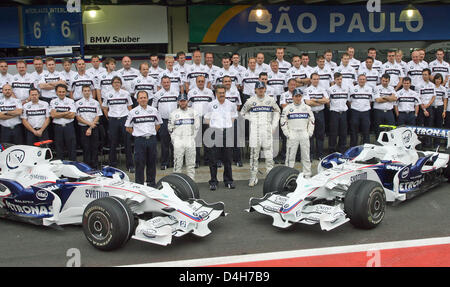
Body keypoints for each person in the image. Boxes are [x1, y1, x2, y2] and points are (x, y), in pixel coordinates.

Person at [240, 81, 280, 187]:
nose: (261, 90)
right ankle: (253, 177)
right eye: (259, 88)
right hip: (255, 131)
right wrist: (252, 119)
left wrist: (274, 125)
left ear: (265, 89)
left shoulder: (270, 100)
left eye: (262, 88)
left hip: (267, 130)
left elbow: (277, 111)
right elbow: (242, 113)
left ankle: (270, 177)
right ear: (255, 90)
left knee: (269, 155)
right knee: (254, 155)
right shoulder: (250, 101)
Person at [204, 84, 238, 190]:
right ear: (216, 93)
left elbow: (233, 117)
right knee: (213, 159)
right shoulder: (211, 105)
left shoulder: (231, 105)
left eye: (223, 93)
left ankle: (228, 180)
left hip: (227, 132)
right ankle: (213, 181)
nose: (222, 95)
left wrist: (227, 127)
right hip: (214, 133)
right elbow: (207, 118)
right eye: (220, 93)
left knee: (227, 159)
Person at [125, 91, 162, 187]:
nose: (143, 99)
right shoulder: (132, 112)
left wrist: (150, 133)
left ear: (148, 98)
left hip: (151, 140)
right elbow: (128, 127)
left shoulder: (154, 110)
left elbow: (158, 125)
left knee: (152, 163)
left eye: (144, 97)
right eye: (140, 98)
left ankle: (151, 184)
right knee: (139, 163)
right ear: (137, 100)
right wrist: (137, 134)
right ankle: (139, 185)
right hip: (139, 141)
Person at [101, 76, 134, 171]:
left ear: (120, 84)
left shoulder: (126, 93)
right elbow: (105, 108)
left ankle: (130, 166)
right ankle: (112, 166)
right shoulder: (108, 94)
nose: (116, 84)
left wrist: (129, 121)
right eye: (115, 82)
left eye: (118, 82)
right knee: (113, 143)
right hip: (113, 120)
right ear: (112, 84)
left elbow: (130, 107)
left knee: (127, 143)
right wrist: (110, 118)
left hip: (124, 120)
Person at [280, 88, 315, 178]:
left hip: (304, 133)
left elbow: (312, 121)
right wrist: (287, 134)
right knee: (290, 157)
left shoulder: (307, 108)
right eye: (296, 96)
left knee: (306, 156)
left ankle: (307, 175)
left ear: (302, 96)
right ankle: (288, 175)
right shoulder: (287, 108)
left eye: (300, 96)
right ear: (293, 97)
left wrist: (309, 133)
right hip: (293, 133)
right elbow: (283, 122)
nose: (298, 98)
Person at [168, 93, 200, 180]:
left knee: (191, 164)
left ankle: (191, 182)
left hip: (190, 140)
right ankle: (177, 183)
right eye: (181, 101)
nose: (183, 103)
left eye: (184, 101)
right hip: (178, 141)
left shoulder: (194, 112)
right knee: (177, 164)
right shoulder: (173, 113)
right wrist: (175, 140)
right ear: (178, 102)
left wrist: (192, 138)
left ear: (187, 101)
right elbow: (170, 128)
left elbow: (197, 127)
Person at [187, 75, 214, 167]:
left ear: (205, 82)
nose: (201, 83)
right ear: (196, 82)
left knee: (207, 140)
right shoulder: (191, 93)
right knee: (197, 142)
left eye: (202, 81)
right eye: (199, 81)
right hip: (196, 119)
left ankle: (207, 160)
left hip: (207, 119)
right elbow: (189, 106)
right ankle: (197, 161)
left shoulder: (209, 92)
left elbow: (213, 106)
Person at [152, 76, 179, 170]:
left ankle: (175, 162)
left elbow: (181, 106)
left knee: (175, 143)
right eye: (164, 82)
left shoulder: (176, 92)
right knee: (164, 143)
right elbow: (154, 109)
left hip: (175, 121)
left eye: (168, 82)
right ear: (161, 83)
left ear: (170, 82)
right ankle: (164, 162)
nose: (166, 84)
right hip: (163, 121)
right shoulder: (157, 94)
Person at [304, 73, 330, 160]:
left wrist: (315, 100)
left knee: (320, 134)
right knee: (310, 135)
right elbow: (308, 103)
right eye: (314, 79)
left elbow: (327, 100)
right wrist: (320, 101)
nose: (316, 81)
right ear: (311, 80)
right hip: (311, 114)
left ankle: (320, 154)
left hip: (320, 114)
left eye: (317, 79)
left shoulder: (322, 89)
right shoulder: (307, 90)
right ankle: (311, 155)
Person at [76, 85, 102, 169]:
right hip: (83, 127)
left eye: (88, 90)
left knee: (94, 147)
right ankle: (86, 167)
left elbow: (98, 115)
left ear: (90, 92)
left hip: (94, 127)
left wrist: (91, 127)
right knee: (86, 147)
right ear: (82, 92)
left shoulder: (95, 102)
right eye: (85, 91)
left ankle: (95, 166)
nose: (87, 92)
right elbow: (78, 117)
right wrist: (89, 124)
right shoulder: (78, 103)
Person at [50, 84, 76, 161]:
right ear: (56, 92)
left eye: (63, 92)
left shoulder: (71, 101)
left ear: (66, 92)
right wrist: (65, 113)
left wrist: (59, 114)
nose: (61, 93)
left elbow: (72, 116)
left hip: (69, 127)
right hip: (58, 127)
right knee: (59, 147)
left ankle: (73, 164)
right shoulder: (53, 102)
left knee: (71, 147)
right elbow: (53, 115)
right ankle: (60, 165)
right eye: (59, 92)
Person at [327, 72, 349, 154]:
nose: (339, 81)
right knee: (333, 132)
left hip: (343, 113)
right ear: (334, 80)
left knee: (343, 132)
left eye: (340, 79)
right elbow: (328, 101)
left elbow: (348, 100)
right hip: (334, 113)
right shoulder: (331, 89)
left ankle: (342, 150)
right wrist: (331, 108)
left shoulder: (346, 88)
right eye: (338, 79)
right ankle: (332, 150)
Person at [349, 74, 374, 147]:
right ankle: (353, 148)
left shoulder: (369, 89)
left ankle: (366, 149)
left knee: (366, 132)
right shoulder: (352, 89)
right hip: (355, 112)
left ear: (366, 80)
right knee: (354, 132)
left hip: (365, 112)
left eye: (363, 79)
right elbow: (349, 101)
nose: (362, 81)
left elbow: (370, 101)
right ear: (357, 80)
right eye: (360, 79)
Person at [223, 75, 243, 166]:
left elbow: (238, 105)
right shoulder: (219, 92)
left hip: (233, 118)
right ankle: (221, 160)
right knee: (222, 140)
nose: (227, 83)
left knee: (236, 140)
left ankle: (237, 160)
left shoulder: (236, 92)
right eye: (225, 81)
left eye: (229, 81)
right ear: (222, 83)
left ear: (231, 82)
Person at [415, 68, 436, 147]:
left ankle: (428, 144)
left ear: (429, 75)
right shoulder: (418, 85)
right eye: (423, 74)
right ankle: (420, 144)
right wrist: (424, 109)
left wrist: (428, 105)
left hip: (429, 107)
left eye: (426, 74)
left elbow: (433, 96)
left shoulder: (432, 85)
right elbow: (418, 98)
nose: (424, 76)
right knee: (420, 126)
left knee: (429, 126)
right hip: (421, 108)